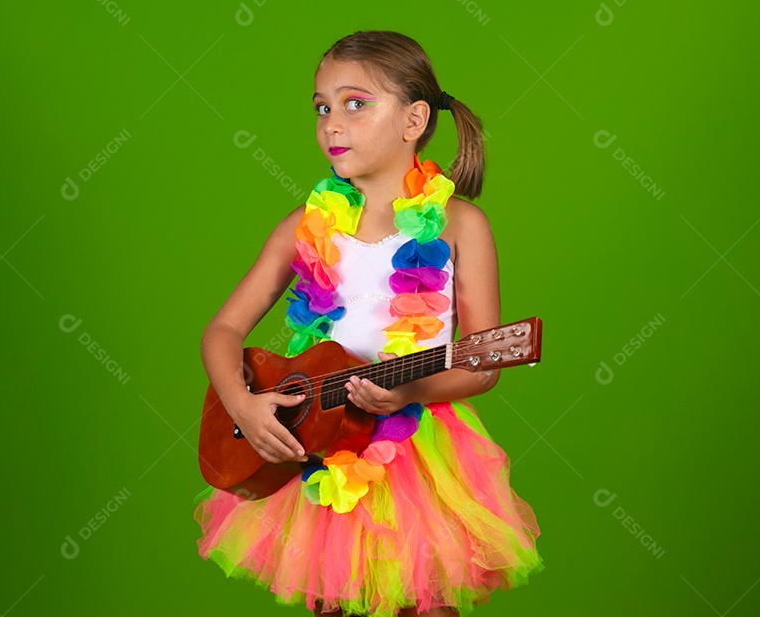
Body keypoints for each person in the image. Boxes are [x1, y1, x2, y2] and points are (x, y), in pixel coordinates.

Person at [193, 30, 544, 616]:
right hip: (322, 446)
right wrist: (243, 404)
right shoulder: (303, 226)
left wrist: (407, 389)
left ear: (413, 121)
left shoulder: (461, 225)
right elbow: (222, 331)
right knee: (333, 600)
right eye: (322, 107)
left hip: (416, 453)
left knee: (421, 602)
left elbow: (482, 364)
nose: (332, 123)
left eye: (356, 104)